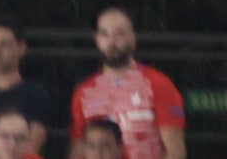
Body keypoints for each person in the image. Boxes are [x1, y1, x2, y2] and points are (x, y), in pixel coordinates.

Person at [71, 14, 185, 159]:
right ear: (97, 40)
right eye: (105, 34)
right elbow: (78, 150)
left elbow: (175, 151)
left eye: (120, 33)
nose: (112, 41)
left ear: (133, 38)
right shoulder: (84, 91)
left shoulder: (158, 84)